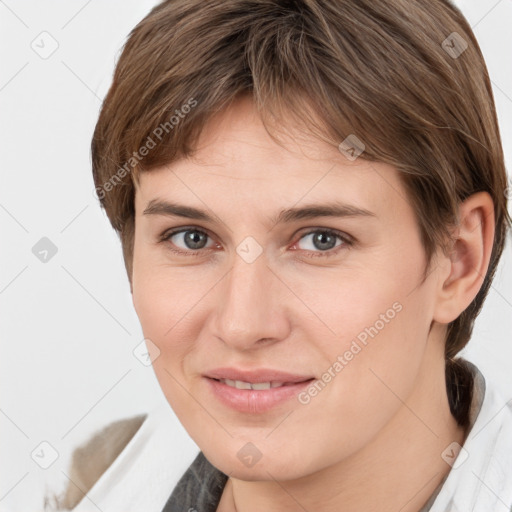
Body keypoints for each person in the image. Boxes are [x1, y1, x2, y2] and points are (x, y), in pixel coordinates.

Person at [47, 0, 512, 510]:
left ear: (459, 260)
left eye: (321, 240)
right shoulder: (83, 485)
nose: (243, 325)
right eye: (192, 238)